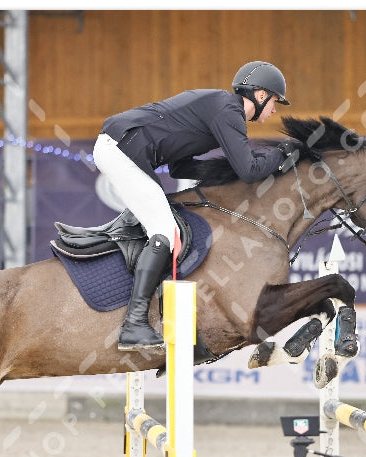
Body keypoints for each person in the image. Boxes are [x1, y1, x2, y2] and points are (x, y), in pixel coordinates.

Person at [93, 60, 299, 353]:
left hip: (124, 148)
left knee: (174, 229)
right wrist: (281, 156)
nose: (275, 109)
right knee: (166, 232)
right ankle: (133, 325)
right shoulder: (229, 111)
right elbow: (250, 170)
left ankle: (167, 320)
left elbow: (180, 168)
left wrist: (227, 172)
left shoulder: (220, 109)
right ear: (261, 95)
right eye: (275, 101)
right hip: (121, 150)